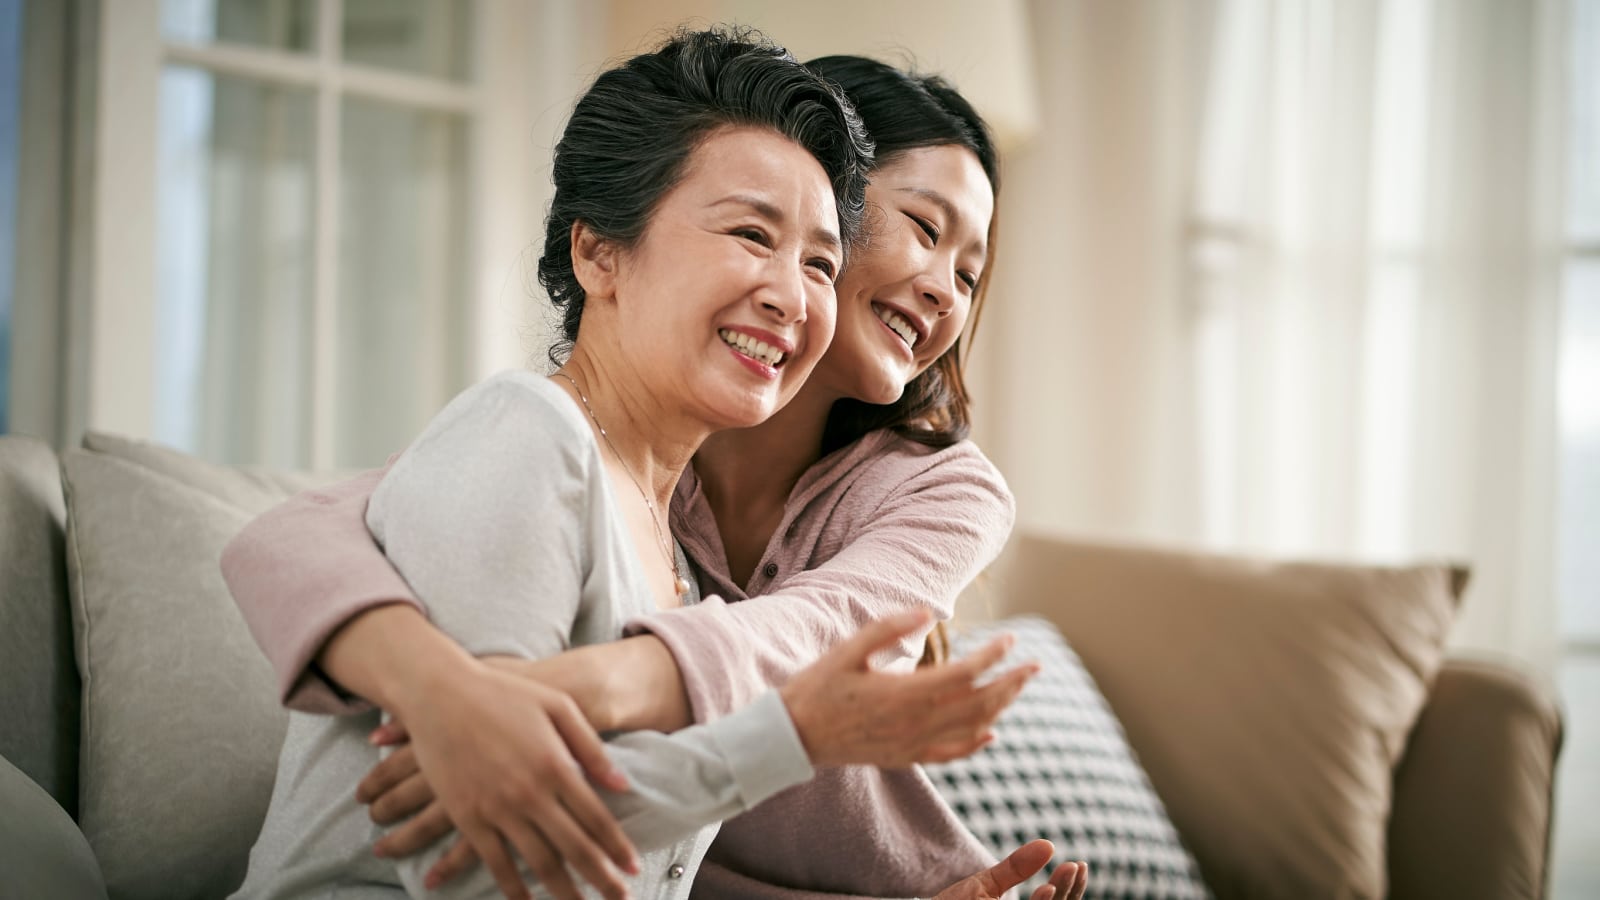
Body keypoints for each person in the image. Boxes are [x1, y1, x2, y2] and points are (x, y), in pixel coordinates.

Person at [224, 50, 1091, 900]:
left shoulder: (930, 491)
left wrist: (539, 699)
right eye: (925, 230)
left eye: (971, 275)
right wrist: (443, 690)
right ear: (599, 253)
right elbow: (303, 531)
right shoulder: (540, 436)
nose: (944, 287)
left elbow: (803, 651)